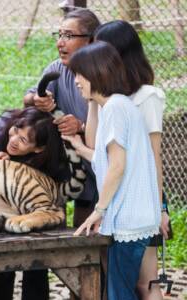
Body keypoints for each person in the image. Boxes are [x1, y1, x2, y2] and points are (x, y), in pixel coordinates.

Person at [63, 41, 161, 300]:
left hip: (130, 220)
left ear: (95, 73)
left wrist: (99, 210)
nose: (76, 82)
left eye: (79, 75)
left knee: (119, 294)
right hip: (133, 218)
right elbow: (107, 160)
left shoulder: (116, 108)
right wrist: (79, 147)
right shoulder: (117, 106)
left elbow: (117, 166)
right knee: (120, 290)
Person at [94, 20, 170, 300]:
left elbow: (153, 157)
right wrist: (93, 96)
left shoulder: (147, 97)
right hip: (116, 205)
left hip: (142, 203)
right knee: (126, 282)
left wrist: (160, 207)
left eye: (101, 49)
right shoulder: (112, 99)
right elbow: (95, 145)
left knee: (148, 284)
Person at [22, 8, 101, 227]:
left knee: (95, 237)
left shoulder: (105, 74)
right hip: (71, 167)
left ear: (91, 40)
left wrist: (81, 126)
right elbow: (28, 97)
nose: (60, 43)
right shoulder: (57, 68)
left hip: (104, 164)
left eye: (69, 36)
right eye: (59, 35)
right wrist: (37, 99)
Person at [0, 106, 70, 300]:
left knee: (36, 268)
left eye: (23, 140)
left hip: (37, 216)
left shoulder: (52, 160)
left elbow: (59, 196)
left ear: (39, 148)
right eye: (15, 130)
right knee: (1, 268)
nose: (13, 140)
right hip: (2, 215)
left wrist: (19, 166)